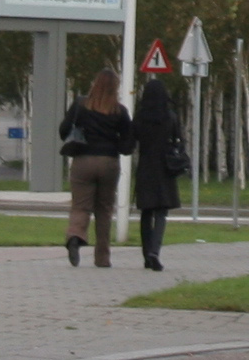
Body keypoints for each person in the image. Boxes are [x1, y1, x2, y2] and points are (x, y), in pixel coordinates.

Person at [60, 69, 132, 267]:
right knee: (104, 209)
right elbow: (128, 145)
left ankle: (75, 236)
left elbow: (63, 130)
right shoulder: (120, 111)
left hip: (83, 160)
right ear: (115, 88)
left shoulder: (80, 105)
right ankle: (102, 257)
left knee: (80, 205)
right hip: (109, 162)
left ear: (95, 84)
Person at [130, 74, 191, 271]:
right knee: (161, 212)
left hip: (146, 167)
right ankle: (155, 251)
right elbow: (178, 140)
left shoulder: (140, 117)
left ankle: (146, 253)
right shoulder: (170, 117)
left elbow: (131, 141)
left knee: (146, 212)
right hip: (165, 168)